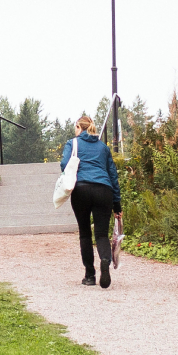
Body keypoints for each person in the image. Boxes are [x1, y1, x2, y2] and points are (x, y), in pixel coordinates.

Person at [59, 114, 122, 289]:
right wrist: (117, 205)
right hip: (104, 190)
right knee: (101, 234)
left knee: (85, 233)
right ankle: (104, 260)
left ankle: (89, 275)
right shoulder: (103, 147)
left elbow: (64, 165)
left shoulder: (73, 143)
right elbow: (113, 176)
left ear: (79, 127)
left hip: (81, 190)